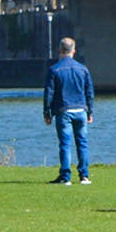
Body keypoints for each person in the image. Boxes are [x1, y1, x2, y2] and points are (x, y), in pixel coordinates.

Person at [43, 37, 94, 185]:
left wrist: (47, 113)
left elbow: (49, 93)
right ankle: (84, 176)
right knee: (82, 143)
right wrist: (90, 112)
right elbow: (89, 92)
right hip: (81, 111)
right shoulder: (83, 69)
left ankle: (66, 177)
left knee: (65, 144)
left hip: (63, 110)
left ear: (59, 50)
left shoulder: (54, 70)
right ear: (74, 51)